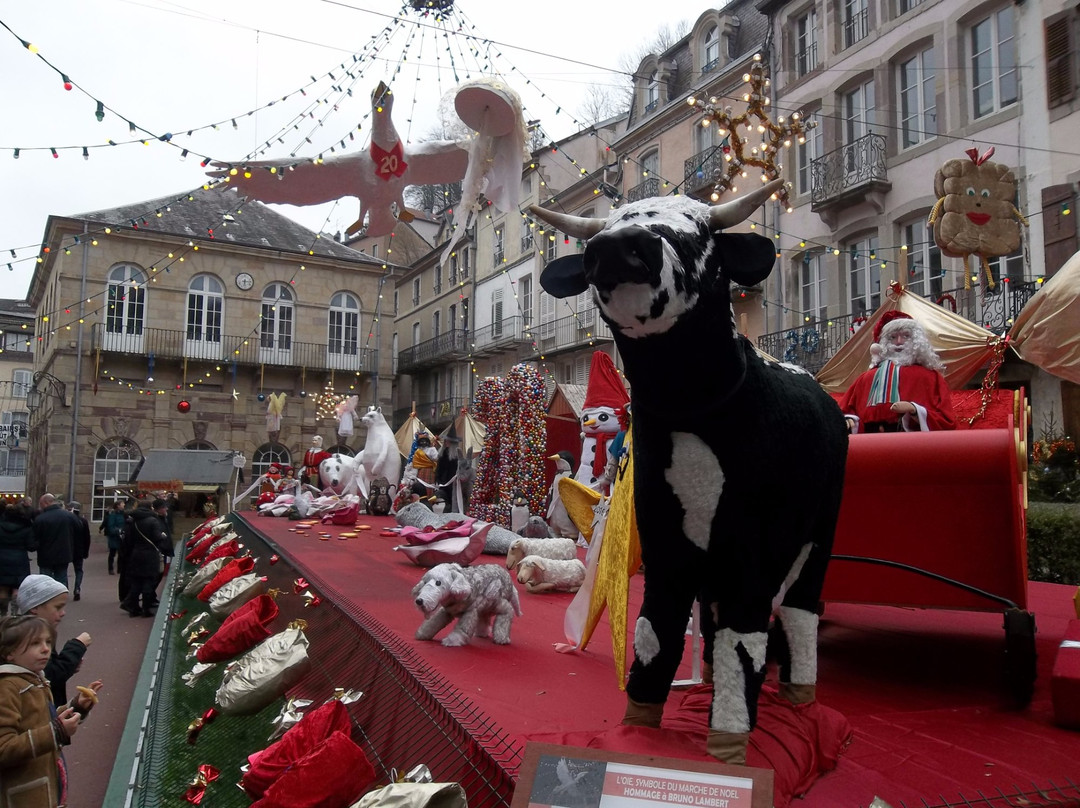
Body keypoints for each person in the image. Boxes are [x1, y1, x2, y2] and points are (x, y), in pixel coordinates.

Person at [0, 614, 86, 808]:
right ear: (9, 653)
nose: (46, 648)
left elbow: (45, 720)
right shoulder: (8, 688)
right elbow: (3, 747)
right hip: (24, 795)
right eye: (35, 643)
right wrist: (56, 731)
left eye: (48, 641)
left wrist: (77, 706)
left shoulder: (35, 680)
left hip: (43, 785)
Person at [838, 311, 957, 433]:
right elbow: (845, 410)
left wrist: (915, 411)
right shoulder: (865, 379)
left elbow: (946, 421)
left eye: (906, 336)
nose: (899, 342)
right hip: (872, 445)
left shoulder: (931, 377)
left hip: (911, 446)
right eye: (893, 337)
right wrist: (848, 419)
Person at [13, 575, 98, 709]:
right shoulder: (28, 637)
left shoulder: (38, 632)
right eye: (57, 607)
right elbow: (50, 675)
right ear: (34, 608)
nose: (63, 613)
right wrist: (77, 646)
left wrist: (68, 666)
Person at [118, 499, 170, 617]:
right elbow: (157, 537)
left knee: (136, 581)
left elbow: (128, 539)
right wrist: (163, 536)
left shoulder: (132, 520)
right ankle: (146, 609)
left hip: (136, 553)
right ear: (149, 508)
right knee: (148, 581)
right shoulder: (152, 520)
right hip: (149, 554)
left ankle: (133, 607)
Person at [31, 494, 79, 589]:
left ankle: (48, 600)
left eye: (41, 504)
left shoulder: (40, 519)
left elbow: (34, 538)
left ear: (46, 503)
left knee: (45, 581)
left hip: (45, 555)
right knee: (61, 578)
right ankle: (60, 599)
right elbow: (78, 530)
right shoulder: (69, 516)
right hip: (64, 553)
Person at [0, 503, 34, 616]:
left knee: (3, 587)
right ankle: (14, 613)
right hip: (19, 559)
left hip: (2, 558)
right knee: (17, 587)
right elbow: (31, 546)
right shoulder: (26, 527)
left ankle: (3, 612)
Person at [64, 502, 92, 603]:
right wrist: (86, 551)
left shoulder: (66, 521)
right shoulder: (83, 521)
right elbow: (87, 537)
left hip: (67, 549)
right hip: (79, 549)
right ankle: (77, 588)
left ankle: (65, 589)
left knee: (64, 570)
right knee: (79, 570)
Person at [98, 500, 126, 576]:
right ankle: (110, 568)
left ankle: (120, 569)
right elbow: (110, 526)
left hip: (122, 537)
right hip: (114, 537)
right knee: (112, 553)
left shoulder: (124, 514)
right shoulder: (112, 515)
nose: (124, 505)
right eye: (122, 504)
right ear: (118, 506)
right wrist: (118, 531)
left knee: (121, 554)